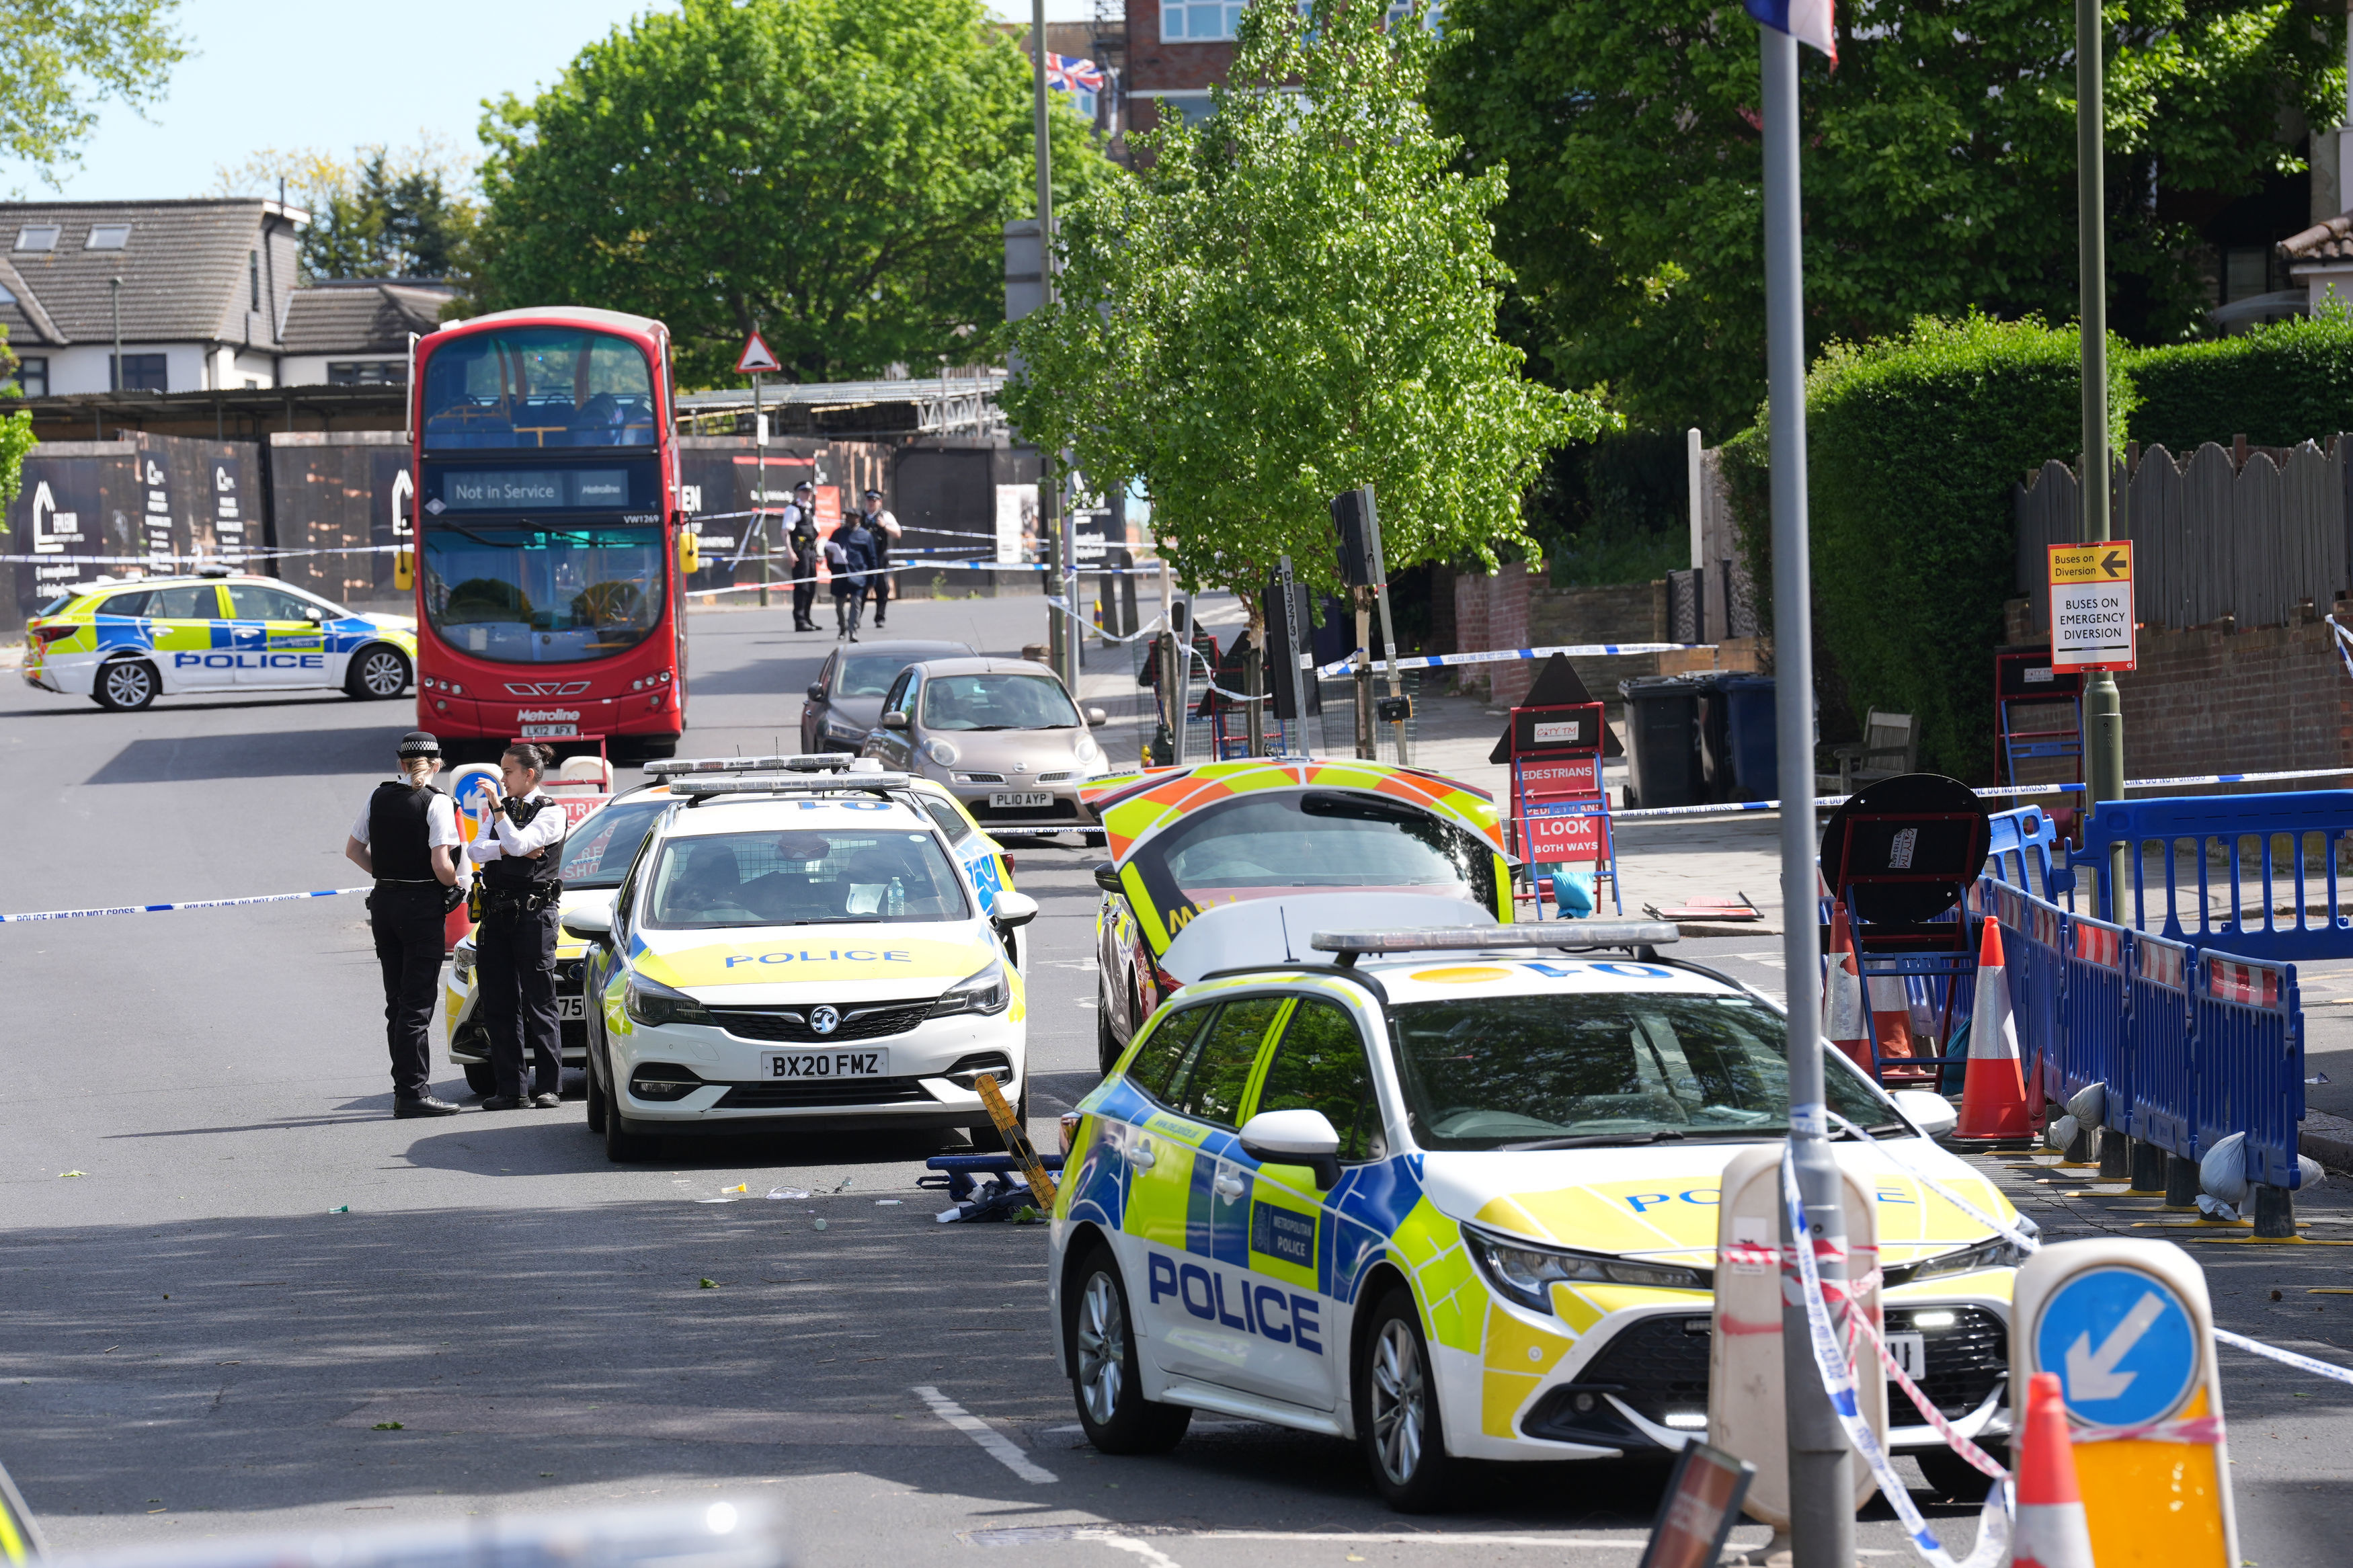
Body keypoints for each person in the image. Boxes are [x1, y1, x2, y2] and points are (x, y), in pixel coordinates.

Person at [344, 731, 464, 1118]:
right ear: (437, 763)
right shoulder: (438, 802)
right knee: (416, 1003)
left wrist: (389, 875)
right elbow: (441, 864)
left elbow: (353, 850)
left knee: (396, 1003)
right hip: (419, 906)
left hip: (385, 903)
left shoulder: (378, 796)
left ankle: (405, 1089)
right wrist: (456, 886)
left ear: (401, 764)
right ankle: (413, 1094)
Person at [466, 741, 570, 1110]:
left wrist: (502, 823)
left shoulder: (551, 813)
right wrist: (510, 846)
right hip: (495, 914)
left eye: (508, 772)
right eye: (501, 770)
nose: (502, 778)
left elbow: (520, 839)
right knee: (498, 1002)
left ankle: (548, 1086)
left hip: (533, 914)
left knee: (539, 1001)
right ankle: (511, 1088)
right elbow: (475, 851)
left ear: (529, 774)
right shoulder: (498, 809)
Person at [830, 509, 877, 641]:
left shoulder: (865, 535)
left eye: (852, 517)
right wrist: (832, 567)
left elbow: (872, 558)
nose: (849, 519)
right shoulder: (839, 533)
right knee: (839, 605)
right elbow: (829, 550)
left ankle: (853, 631)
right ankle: (843, 627)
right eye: (847, 516)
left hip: (858, 574)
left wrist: (872, 580)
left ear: (858, 518)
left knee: (856, 604)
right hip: (840, 574)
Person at [859, 488, 902, 628]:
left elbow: (897, 533)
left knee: (882, 588)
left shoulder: (885, 516)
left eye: (874, 500)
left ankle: (880, 617)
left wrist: (884, 526)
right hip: (863, 558)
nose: (871, 503)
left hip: (880, 557)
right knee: (861, 589)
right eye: (869, 500)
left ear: (880, 502)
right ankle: (856, 618)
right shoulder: (860, 516)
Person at [783, 481, 821, 632]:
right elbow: (785, 532)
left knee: (811, 586)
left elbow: (815, 532)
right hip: (800, 552)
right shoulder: (793, 509)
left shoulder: (810, 509)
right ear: (799, 492)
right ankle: (800, 621)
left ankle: (807, 618)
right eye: (805, 491)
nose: (808, 494)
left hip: (810, 551)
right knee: (802, 586)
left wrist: (818, 553)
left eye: (809, 491)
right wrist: (790, 552)